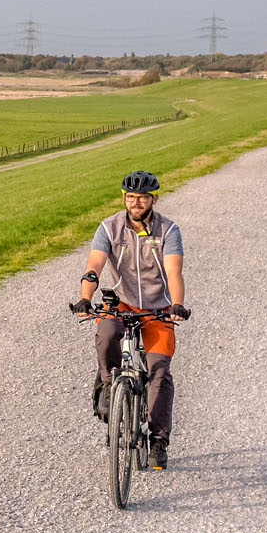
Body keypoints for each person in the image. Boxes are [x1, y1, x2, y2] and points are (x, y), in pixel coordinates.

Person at [72, 170, 190, 468]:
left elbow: (174, 271)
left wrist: (177, 304)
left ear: (154, 199)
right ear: (123, 197)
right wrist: (86, 297)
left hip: (158, 309)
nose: (136, 203)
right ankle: (109, 383)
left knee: (159, 371)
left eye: (142, 198)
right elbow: (93, 266)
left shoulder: (168, 230)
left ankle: (159, 441)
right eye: (130, 197)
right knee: (107, 333)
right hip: (121, 303)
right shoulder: (109, 227)